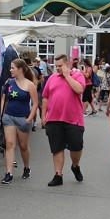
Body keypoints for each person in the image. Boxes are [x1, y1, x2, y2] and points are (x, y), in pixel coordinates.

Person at [41, 53, 86, 186]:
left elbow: (79, 89)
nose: (58, 69)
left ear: (67, 64)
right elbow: (45, 97)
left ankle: (75, 166)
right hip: (54, 119)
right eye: (56, 66)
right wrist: (43, 116)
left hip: (73, 119)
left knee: (76, 146)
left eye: (60, 66)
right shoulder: (52, 78)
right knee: (57, 148)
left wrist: (67, 76)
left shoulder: (77, 76)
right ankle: (58, 175)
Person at [0, 58, 38, 183]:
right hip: (9, 117)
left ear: (20, 69)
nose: (10, 70)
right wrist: (2, 115)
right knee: (10, 144)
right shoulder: (9, 82)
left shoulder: (29, 84)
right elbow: (3, 99)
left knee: (23, 146)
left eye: (12, 68)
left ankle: (27, 167)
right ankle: (8, 173)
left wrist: (29, 119)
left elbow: (35, 103)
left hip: (23, 118)